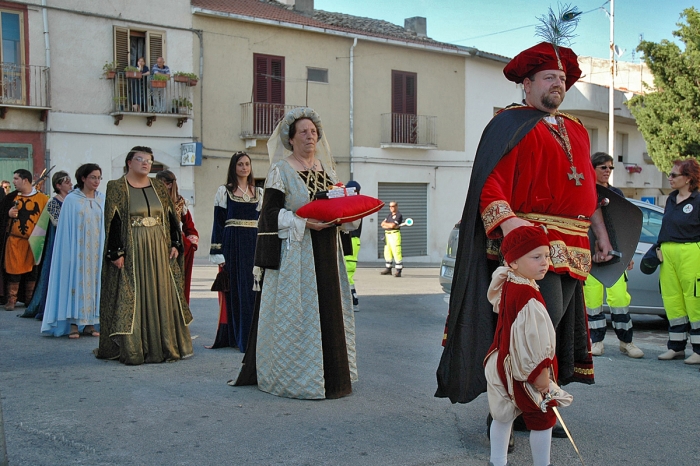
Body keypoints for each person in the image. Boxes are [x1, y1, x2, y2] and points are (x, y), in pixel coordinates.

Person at [436, 39, 614, 432]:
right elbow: (490, 183)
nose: (558, 84)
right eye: (549, 77)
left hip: (576, 246)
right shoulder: (509, 124)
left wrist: (600, 233)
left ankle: (527, 410)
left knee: (549, 337)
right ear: (527, 84)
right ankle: (500, 414)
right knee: (530, 332)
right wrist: (511, 224)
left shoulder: (577, 129)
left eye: (563, 78)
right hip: (533, 245)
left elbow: (588, 190)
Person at [235, 107, 358, 399]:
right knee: (302, 314)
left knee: (330, 309)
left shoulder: (326, 172)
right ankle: (300, 376)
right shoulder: (282, 171)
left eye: (314, 132)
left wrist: (348, 215)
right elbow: (270, 215)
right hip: (298, 253)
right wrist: (303, 222)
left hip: (327, 251)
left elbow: (337, 207)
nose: (310, 136)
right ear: (291, 139)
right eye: (303, 131)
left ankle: (335, 376)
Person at [95, 146, 193, 364]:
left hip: (159, 247)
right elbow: (112, 221)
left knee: (162, 292)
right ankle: (135, 347)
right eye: (140, 159)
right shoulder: (117, 187)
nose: (145, 163)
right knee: (133, 295)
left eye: (149, 160)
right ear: (129, 162)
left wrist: (176, 242)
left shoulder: (158, 186)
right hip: (133, 248)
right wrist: (115, 252)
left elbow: (169, 218)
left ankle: (165, 345)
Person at [485, 226, 572, 466]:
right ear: (513, 262)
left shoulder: (510, 282)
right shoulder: (528, 295)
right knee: (542, 419)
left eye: (546, 256)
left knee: (502, 416)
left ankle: (498, 461)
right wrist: (541, 374)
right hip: (526, 370)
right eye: (536, 257)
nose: (545, 263)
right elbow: (534, 340)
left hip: (503, 361)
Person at [583, 152, 644, 358]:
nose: (608, 171)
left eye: (610, 167)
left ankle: (626, 342)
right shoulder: (584, 192)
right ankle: (596, 341)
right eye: (603, 167)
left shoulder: (616, 194)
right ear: (592, 169)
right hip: (591, 257)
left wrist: (628, 255)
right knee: (592, 301)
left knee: (619, 299)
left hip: (615, 256)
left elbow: (623, 227)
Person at [41, 164, 104, 339]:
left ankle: (90, 322)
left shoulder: (102, 199)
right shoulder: (71, 200)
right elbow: (64, 228)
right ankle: (73, 323)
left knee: (94, 284)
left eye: (99, 177)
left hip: (96, 251)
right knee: (75, 283)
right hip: (77, 250)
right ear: (83, 178)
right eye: (93, 177)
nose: (96, 181)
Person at [207, 152, 262, 351]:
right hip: (233, 245)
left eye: (247, 164)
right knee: (237, 291)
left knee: (253, 289)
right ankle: (238, 337)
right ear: (234, 167)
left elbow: (264, 222)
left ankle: (252, 337)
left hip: (253, 243)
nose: (244, 167)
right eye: (240, 164)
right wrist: (218, 251)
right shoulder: (224, 191)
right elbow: (218, 223)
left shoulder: (259, 192)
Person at [652, 158, 700, 364]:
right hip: (668, 253)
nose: (669, 178)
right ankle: (676, 347)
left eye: (674, 175)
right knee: (672, 300)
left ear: (688, 178)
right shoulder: (671, 199)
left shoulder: (698, 200)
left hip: (691, 252)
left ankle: (698, 350)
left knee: (694, 301)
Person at [21, 171, 73, 319]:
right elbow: (57, 222)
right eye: (67, 182)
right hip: (58, 241)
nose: (70, 184)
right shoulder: (53, 202)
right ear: (58, 185)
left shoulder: (72, 199)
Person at [0, 169, 49, 311]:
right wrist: (8, 213)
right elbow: (1, 213)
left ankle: (30, 300)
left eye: (16, 179)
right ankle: (11, 300)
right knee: (13, 270)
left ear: (25, 180)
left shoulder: (43, 199)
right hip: (14, 241)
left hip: (34, 242)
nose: (13, 181)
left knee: (32, 272)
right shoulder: (11, 198)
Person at [155, 170, 199, 303]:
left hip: (177, 246)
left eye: (160, 183)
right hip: (156, 242)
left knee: (176, 281)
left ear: (168, 184)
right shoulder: (153, 201)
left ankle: (177, 315)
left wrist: (190, 244)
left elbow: (189, 226)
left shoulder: (180, 202)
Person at [343, 180, 362, 307]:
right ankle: (349, 299)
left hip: (352, 239)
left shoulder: (356, 204)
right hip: (349, 239)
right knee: (345, 272)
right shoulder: (353, 202)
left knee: (347, 272)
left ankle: (352, 300)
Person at [380, 201, 403, 277]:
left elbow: (393, 225)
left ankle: (398, 271)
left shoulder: (399, 215)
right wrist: (389, 225)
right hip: (387, 235)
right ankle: (388, 269)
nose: (391, 208)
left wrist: (389, 225)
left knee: (396, 252)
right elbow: (382, 224)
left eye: (393, 206)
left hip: (395, 235)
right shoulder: (389, 215)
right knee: (387, 252)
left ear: (396, 206)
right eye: (390, 206)